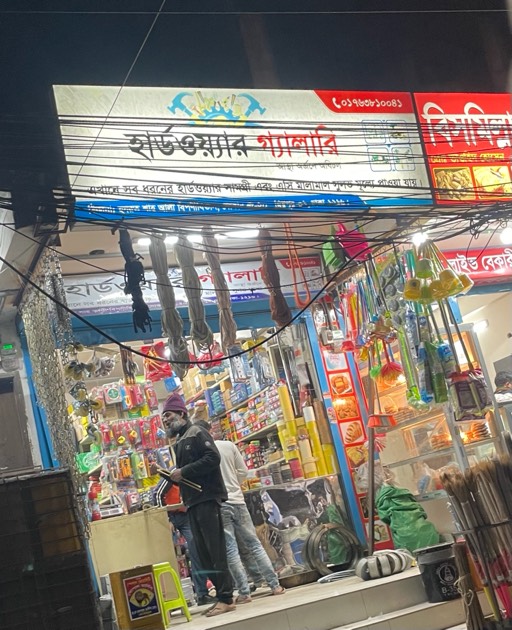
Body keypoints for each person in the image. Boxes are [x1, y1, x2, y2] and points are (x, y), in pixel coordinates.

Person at [163, 393, 235, 618]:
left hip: (206, 498)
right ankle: (221, 596)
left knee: (215, 549)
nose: (165, 420)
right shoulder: (181, 439)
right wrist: (170, 475)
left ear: (181, 413)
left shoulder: (196, 432)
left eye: (168, 415)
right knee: (203, 553)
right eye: (163, 417)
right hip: (193, 502)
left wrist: (183, 471)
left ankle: (226, 598)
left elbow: (213, 458)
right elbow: (186, 475)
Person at [214, 437, 285, 603]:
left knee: (231, 550)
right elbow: (243, 471)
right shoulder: (228, 445)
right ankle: (275, 586)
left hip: (221, 503)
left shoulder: (201, 450)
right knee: (254, 544)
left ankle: (244, 593)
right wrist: (234, 484)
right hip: (238, 501)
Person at [154, 476, 215, 606]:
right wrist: (165, 518)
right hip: (170, 516)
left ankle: (202, 593)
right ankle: (169, 597)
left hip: (185, 515)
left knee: (196, 550)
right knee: (167, 556)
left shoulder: (191, 472)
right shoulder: (171, 474)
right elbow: (157, 494)